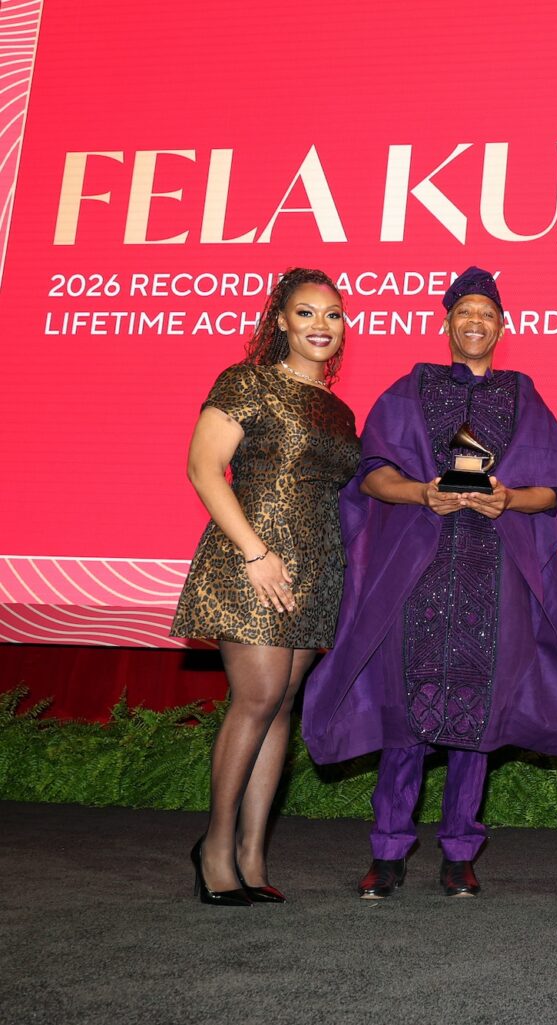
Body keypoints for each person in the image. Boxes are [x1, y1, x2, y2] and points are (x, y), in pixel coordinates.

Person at [301, 266, 557, 900]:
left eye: (487, 313)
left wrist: (507, 498)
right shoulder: (410, 389)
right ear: (447, 323)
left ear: (502, 327)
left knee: (478, 712)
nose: (475, 321)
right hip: (418, 577)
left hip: (495, 577)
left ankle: (459, 851)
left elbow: (555, 491)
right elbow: (372, 475)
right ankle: (390, 849)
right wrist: (423, 494)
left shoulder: (521, 393)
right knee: (406, 711)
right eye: (464, 312)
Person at [172, 267, 359, 906]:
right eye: (306, 313)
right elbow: (203, 468)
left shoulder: (339, 409)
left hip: (315, 567)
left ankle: (252, 855)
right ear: (280, 321)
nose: (321, 326)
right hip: (252, 559)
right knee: (257, 699)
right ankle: (215, 848)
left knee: (282, 707)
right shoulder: (245, 381)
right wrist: (256, 553)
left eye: (333, 315)